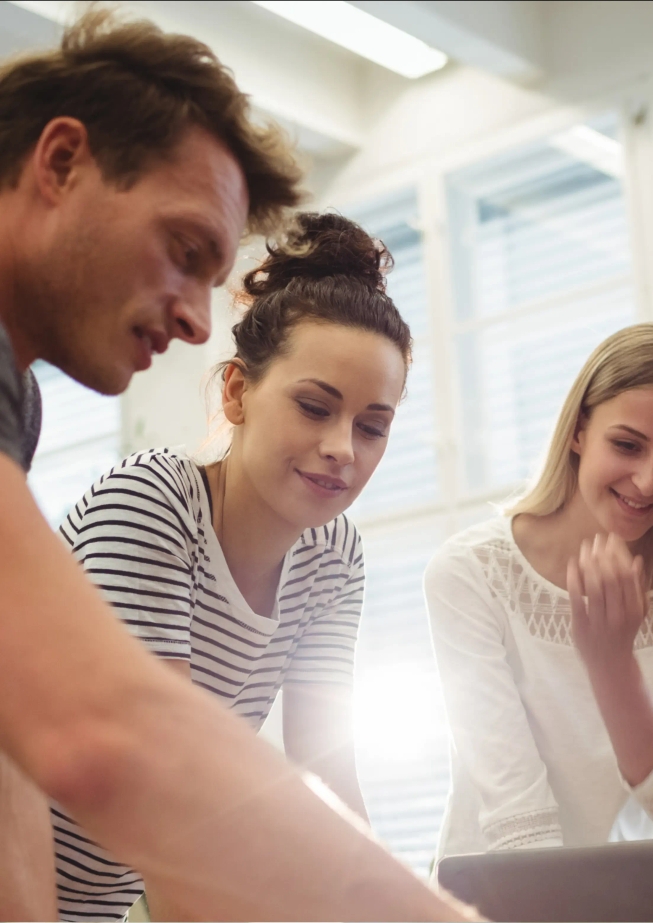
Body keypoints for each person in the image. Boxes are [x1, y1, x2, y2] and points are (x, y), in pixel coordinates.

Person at [0, 10, 471, 921]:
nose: (192, 318)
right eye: (183, 252)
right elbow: (118, 743)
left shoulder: (15, 399)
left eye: (372, 424)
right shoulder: (154, 498)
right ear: (60, 163)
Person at [52, 211, 411, 921]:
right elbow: (165, 781)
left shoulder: (333, 558)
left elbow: (329, 777)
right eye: (315, 407)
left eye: (373, 426)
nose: (344, 447)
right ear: (237, 392)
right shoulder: (155, 502)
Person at [425, 323, 653, 860]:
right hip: (498, 895)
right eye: (627, 445)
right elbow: (516, 816)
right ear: (578, 430)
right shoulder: (471, 573)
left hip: (625, 900)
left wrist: (613, 665)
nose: (646, 480)